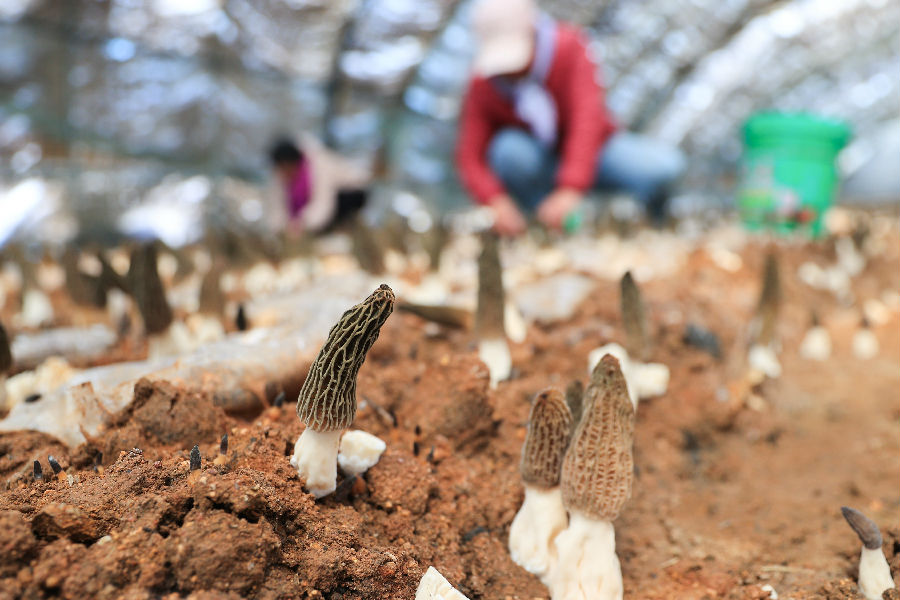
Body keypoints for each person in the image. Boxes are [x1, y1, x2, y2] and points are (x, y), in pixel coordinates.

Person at [457, 0, 686, 236]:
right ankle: (541, 224)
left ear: (533, 33)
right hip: (539, 162)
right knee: (508, 150)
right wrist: (494, 200)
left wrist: (570, 188)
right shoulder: (484, 84)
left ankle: (653, 224)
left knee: (665, 166)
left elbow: (586, 121)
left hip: (597, 153)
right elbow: (470, 157)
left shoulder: (569, 48)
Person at [267, 135, 370, 234]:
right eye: (281, 169)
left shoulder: (319, 165)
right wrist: (283, 226)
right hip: (324, 207)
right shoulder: (281, 177)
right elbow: (278, 207)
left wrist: (303, 224)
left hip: (350, 195)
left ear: (295, 162)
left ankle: (339, 231)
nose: (285, 172)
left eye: (287, 167)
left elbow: (323, 203)